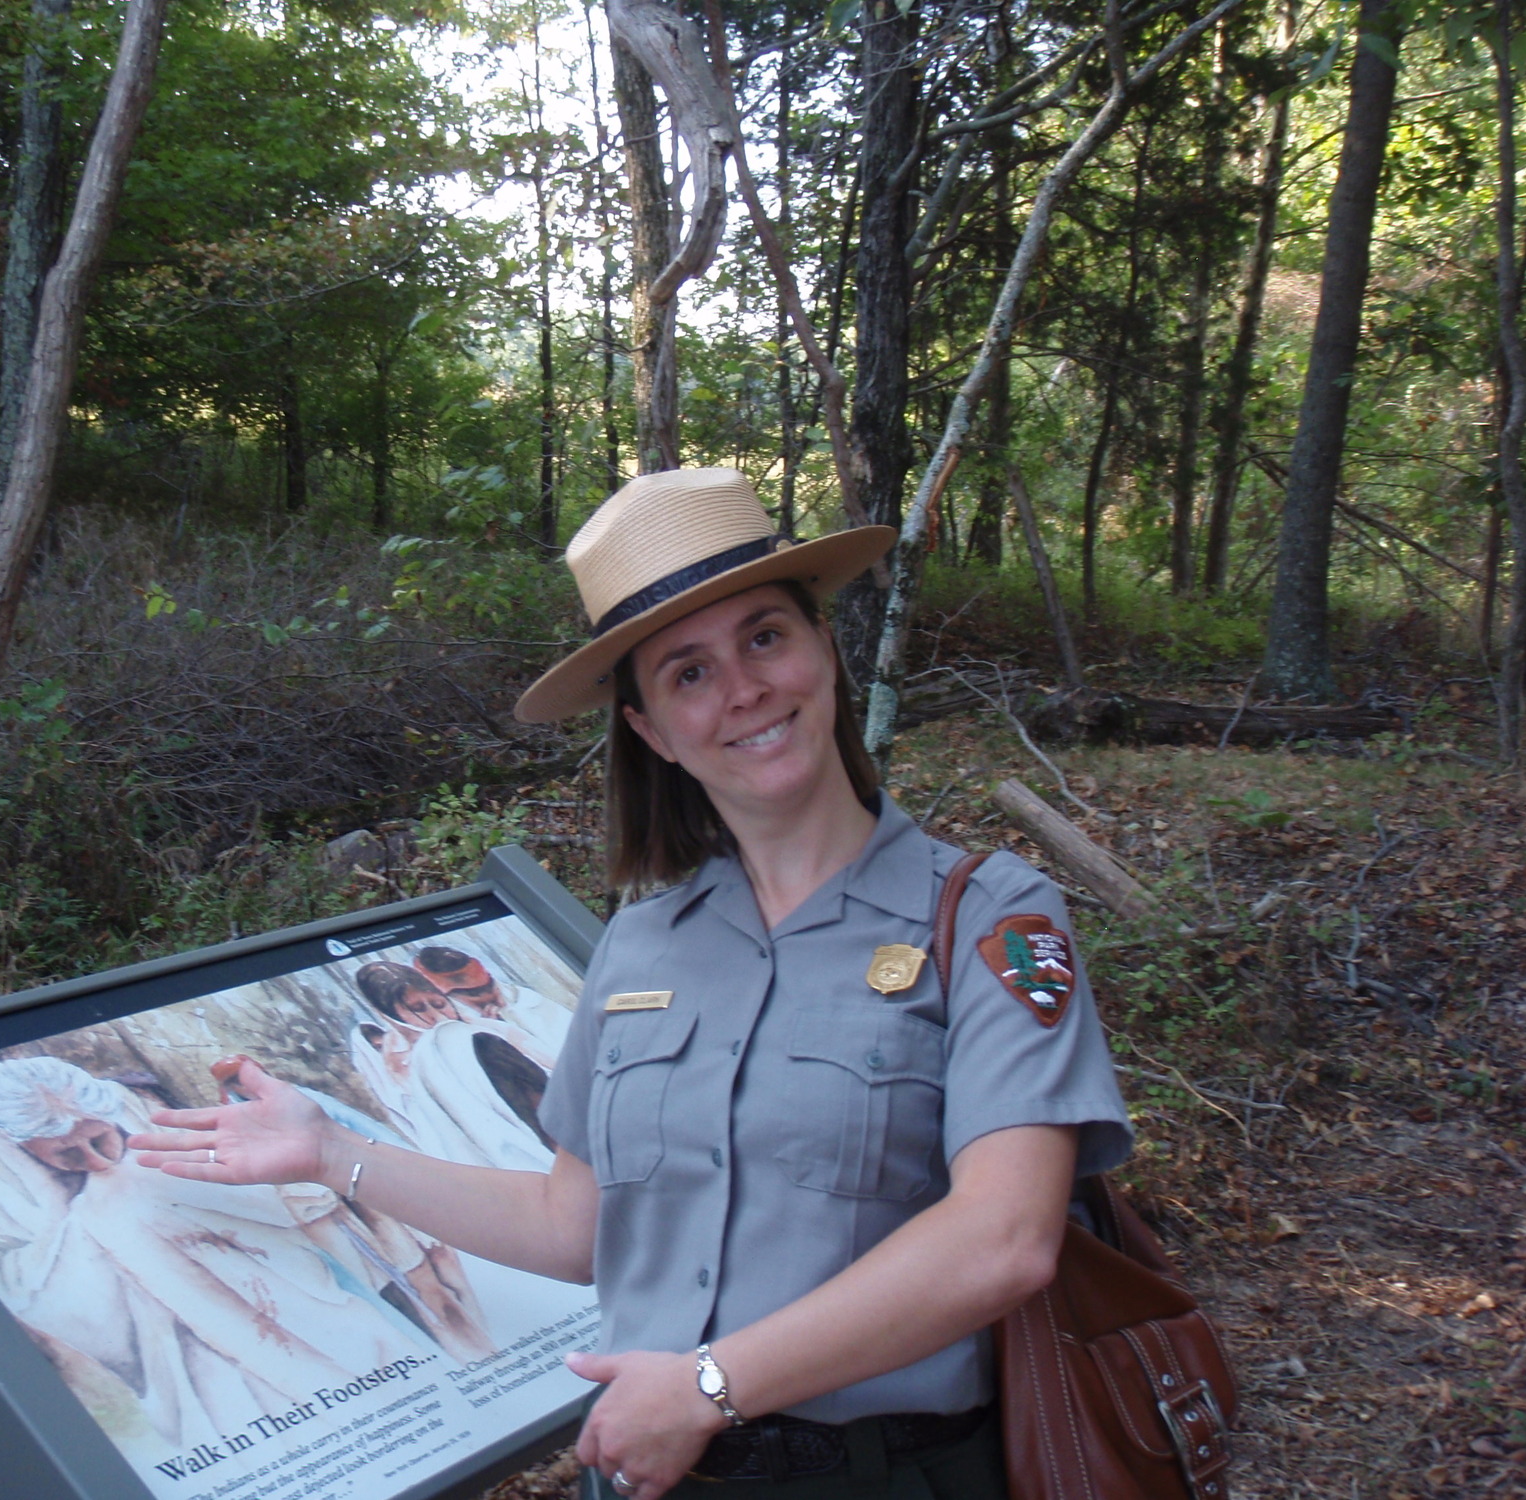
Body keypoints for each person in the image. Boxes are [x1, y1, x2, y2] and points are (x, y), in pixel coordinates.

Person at [133, 468, 1132, 1500]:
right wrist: (330, 1151)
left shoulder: (987, 916)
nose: (741, 690)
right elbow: (577, 1230)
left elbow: (1003, 1241)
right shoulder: (643, 945)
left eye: (761, 637)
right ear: (650, 727)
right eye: (687, 673)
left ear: (821, 649)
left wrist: (709, 1385)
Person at [0, 1054, 492, 1461]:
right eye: (65, 1156)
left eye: (101, 1141)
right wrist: (100, 1219)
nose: (94, 1160)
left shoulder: (110, 1099)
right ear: (20, 1141)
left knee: (366, 1346)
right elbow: (18, 1281)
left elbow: (203, 1167)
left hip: (253, 1259)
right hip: (159, 1322)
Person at [347, 959, 556, 1170]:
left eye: (439, 1004)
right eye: (417, 1009)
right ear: (391, 1017)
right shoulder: (399, 1066)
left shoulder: (489, 1030)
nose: (437, 1016)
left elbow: (554, 1071)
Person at [414, 945, 573, 1065]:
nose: (491, 995)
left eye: (489, 986)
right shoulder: (448, 1031)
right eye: (473, 994)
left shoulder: (527, 999)